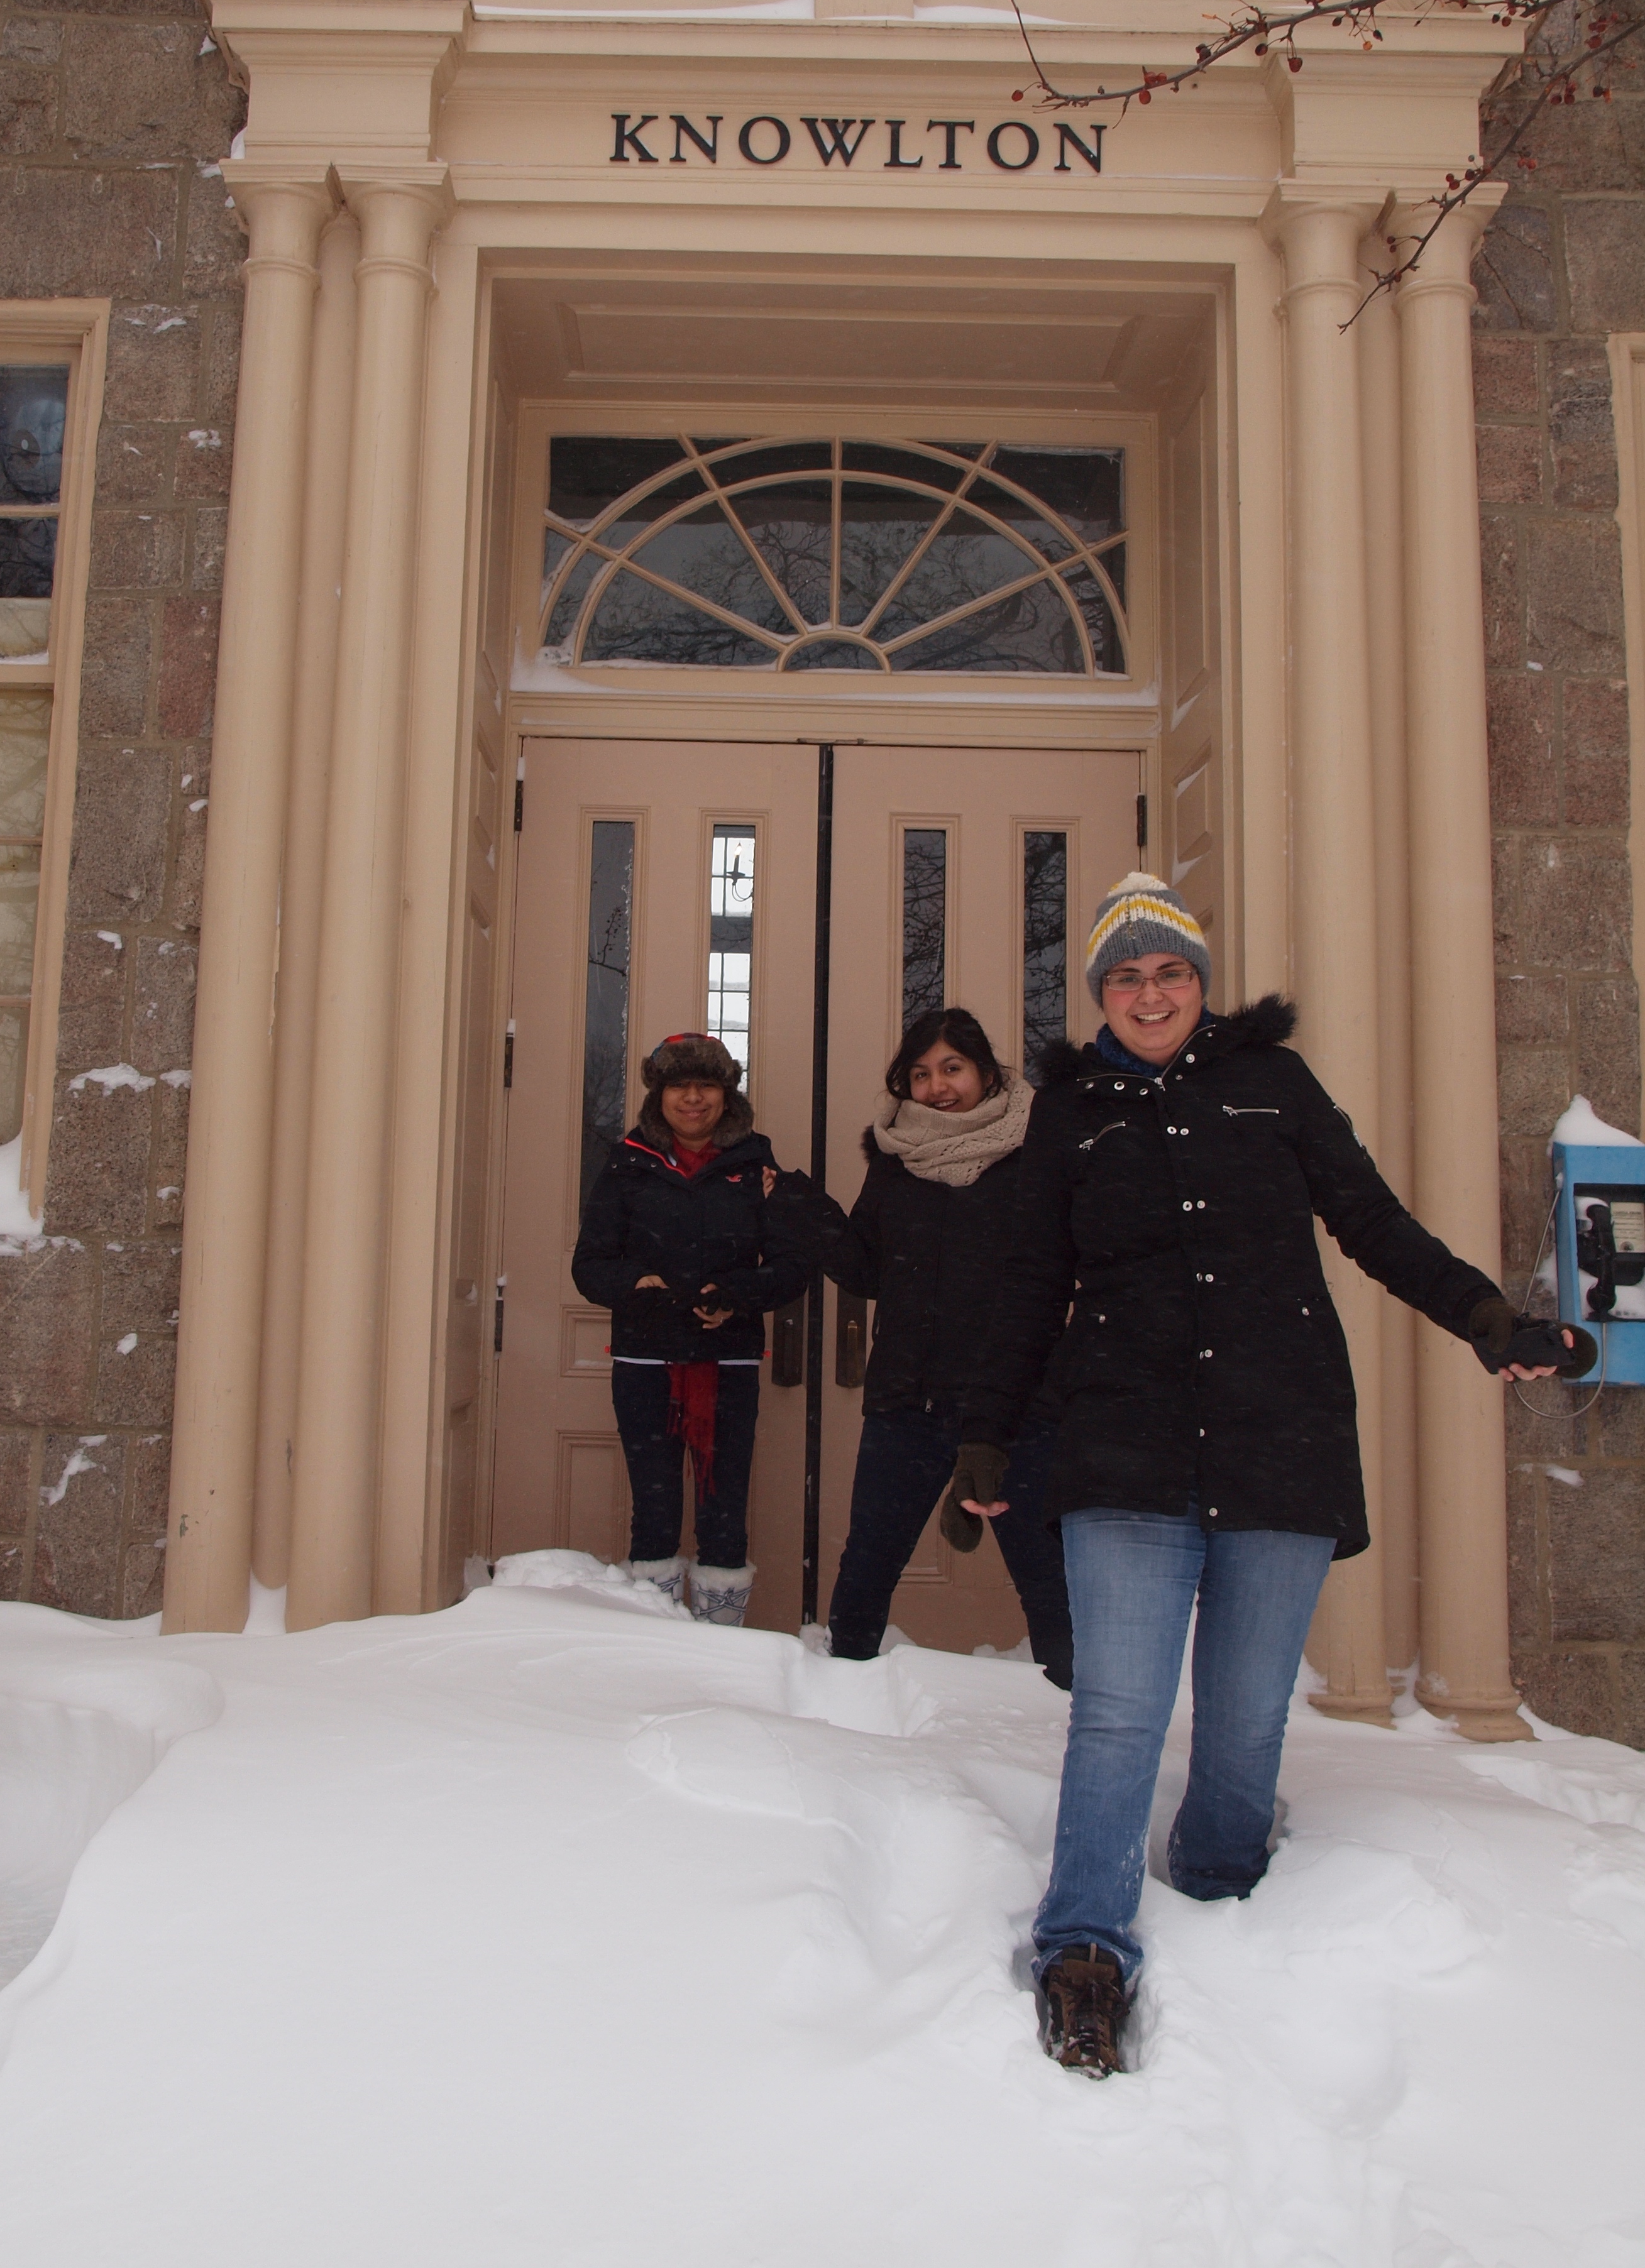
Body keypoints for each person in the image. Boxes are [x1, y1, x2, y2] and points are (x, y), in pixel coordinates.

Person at [955, 872, 1592, 2079]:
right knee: (1118, 1712)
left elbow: (1369, 1219)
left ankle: (1219, 1886)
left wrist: (1481, 1316)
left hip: (1275, 1435)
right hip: (1124, 1440)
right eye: (1126, 976)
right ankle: (1083, 1946)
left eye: (1170, 971)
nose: (1151, 993)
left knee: (1245, 1718)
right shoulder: (1071, 1110)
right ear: (1098, 995)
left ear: (1200, 981)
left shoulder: (1270, 1084)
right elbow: (1028, 1279)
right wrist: (985, 1431)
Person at [808, 1007, 1073, 1683]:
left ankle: (1078, 1717)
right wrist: (808, 1218)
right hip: (909, 1400)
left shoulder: (1040, 1150)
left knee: (1050, 1577)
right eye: (921, 1074)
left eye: (952, 1068)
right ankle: (843, 1703)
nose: (937, 1087)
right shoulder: (898, 1160)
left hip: (1020, 1407)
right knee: (868, 1562)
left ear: (986, 1071)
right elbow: (868, 1270)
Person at [571, 1033, 810, 1625]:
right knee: (653, 1508)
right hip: (646, 1363)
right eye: (681, 1085)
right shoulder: (627, 1163)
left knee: (723, 1507)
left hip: (727, 1362)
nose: (694, 1099)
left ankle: (720, 1640)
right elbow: (590, 1264)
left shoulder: (757, 1166)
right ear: (662, 1093)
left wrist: (738, 1296)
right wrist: (636, 1287)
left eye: (708, 1085)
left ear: (727, 1095)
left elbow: (792, 1266)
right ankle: (656, 1644)